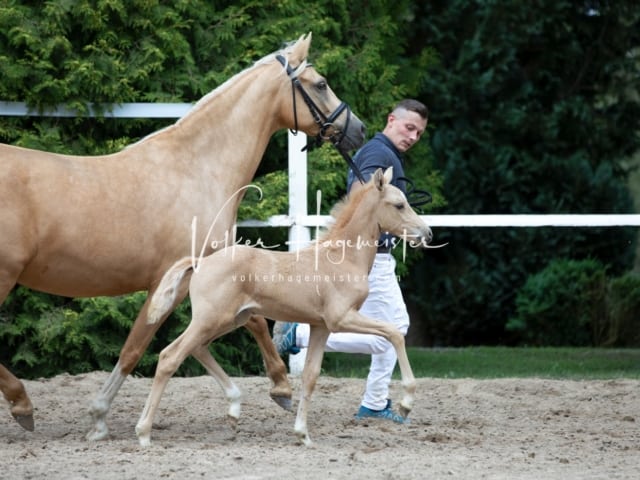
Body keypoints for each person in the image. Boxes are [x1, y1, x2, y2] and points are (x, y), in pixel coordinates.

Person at [273, 99, 429, 423]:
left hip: (373, 253)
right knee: (392, 329)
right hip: (370, 257)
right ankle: (299, 336)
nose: (413, 136)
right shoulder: (378, 153)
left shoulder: (384, 154)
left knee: (389, 330)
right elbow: (363, 201)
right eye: (409, 127)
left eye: (419, 132)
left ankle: (373, 400)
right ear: (391, 119)